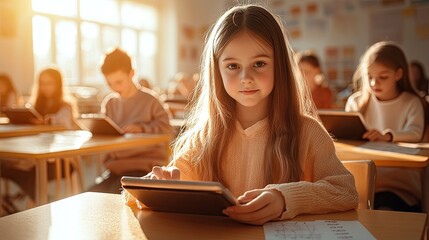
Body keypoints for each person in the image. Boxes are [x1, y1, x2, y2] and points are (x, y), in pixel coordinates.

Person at [125, 4, 358, 225]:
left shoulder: (307, 131)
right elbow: (136, 196)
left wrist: (285, 198)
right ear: (217, 71)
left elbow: (345, 191)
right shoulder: (203, 138)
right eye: (233, 66)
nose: (246, 77)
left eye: (259, 63)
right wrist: (158, 188)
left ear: (279, 66)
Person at [345, 41, 425, 212]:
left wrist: (387, 136)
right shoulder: (356, 102)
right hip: (359, 184)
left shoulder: (411, 102)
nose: (374, 83)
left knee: (384, 211)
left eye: (383, 77)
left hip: (399, 186)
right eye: (369, 77)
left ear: (398, 74)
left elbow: (415, 133)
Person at [87, 48, 173, 194]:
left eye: (119, 82)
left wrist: (143, 128)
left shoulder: (151, 101)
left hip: (144, 168)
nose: (114, 87)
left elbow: (168, 130)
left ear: (132, 73)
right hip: (115, 169)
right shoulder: (110, 103)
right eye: (109, 83)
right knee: (90, 196)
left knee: (115, 194)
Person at [0, 67, 78, 212]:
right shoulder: (34, 107)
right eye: (42, 83)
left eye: (50, 83)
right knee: (6, 166)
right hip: (34, 159)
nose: (45, 87)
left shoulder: (65, 106)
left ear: (58, 85)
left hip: (59, 160)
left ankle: (39, 206)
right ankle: (32, 204)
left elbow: (65, 122)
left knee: (30, 174)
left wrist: (48, 121)